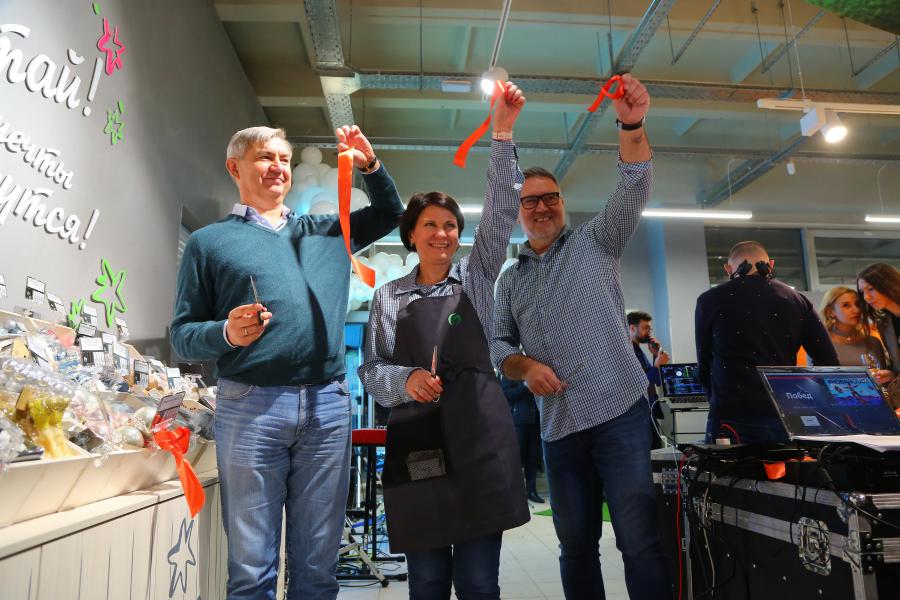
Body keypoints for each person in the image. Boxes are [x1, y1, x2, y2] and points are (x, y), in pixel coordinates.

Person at [170, 125, 404, 600]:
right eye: (264, 157)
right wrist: (225, 333)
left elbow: (390, 213)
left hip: (328, 406)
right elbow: (182, 336)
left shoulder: (329, 231)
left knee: (317, 570)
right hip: (249, 407)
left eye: (283, 157)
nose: (277, 166)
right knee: (251, 569)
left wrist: (370, 165)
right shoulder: (208, 243)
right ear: (235, 167)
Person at [491, 74, 672, 600]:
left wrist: (631, 125)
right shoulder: (510, 279)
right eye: (530, 202)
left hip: (619, 414)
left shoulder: (597, 241)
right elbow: (498, 345)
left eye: (550, 197)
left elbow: (634, 185)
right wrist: (524, 367)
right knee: (575, 545)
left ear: (562, 202)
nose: (541, 207)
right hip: (558, 427)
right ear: (518, 212)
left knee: (638, 540)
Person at [359, 83, 529, 600]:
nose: (442, 233)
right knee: (428, 581)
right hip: (420, 445)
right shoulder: (389, 296)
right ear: (411, 235)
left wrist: (503, 134)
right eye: (429, 224)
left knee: (478, 582)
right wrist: (406, 380)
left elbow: (501, 213)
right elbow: (371, 369)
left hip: (480, 440)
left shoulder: (475, 279)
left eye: (451, 225)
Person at [694, 241, 839, 444]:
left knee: (726, 466)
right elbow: (828, 360)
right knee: (784, 465)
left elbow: (704, 361)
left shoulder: (709, 300)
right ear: (770, 264)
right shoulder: (797, 300)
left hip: (729, 412)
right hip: (783, 411)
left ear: (728, 269)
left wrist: (714, 398)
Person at [857, 263, 900, 402]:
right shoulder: (885, 323)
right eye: (862, 292)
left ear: (889, 284)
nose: (866, 297)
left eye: (871, 289)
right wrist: (893, 374)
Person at [499, 373, 544, 503]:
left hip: (535, 421)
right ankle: (514, 493)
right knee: (516, 458)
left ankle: (531, 491)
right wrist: (525, 386)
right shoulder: (509, 373)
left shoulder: (533, 372)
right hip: (518, 421)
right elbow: (508, 394)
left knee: (532, 459)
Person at [627, 310, 670, 448]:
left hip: (649, 410)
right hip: (640, 412)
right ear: (632, 328)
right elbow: (641, 383)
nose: (649, 332)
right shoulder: (629, 352)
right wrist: (657, 365)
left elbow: (655, 381)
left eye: (649, 328)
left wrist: (656, 356)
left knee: (656, 448)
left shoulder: (639, 350)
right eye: (645, 327)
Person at [819, 286, 887, 367]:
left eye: (857, 304)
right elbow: (814, 374)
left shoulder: (873, 342)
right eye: (846, 305)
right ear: (830, 312)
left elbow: (882, 372)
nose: (856, 310)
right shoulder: (821, 343)